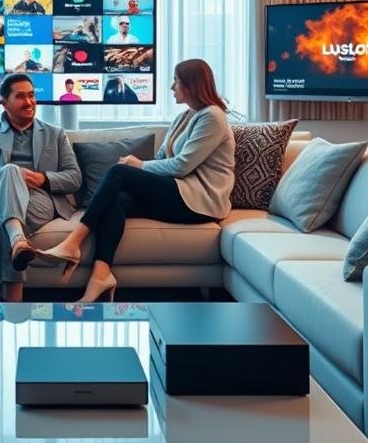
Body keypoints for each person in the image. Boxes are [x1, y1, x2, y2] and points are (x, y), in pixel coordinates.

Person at [40, 59, 235, 303]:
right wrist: (136, 164)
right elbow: (163, 157)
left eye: (176, 81)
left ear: (190, 85)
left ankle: (72, 242)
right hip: (181, 192)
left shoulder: (213, 117)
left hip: (200, 201)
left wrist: (138, 166)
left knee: (119, 173)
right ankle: (101, 276)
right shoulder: (185, 117)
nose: (171, 87)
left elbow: (181, 166)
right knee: (116, 201)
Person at [0, 74, 82, 301]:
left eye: (32, 95)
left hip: (39, 200)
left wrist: (43, 179)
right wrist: (7, 173)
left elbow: (74, 177)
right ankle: (18, 241)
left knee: (1, 218)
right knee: (9, 171)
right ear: (4, 103)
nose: (29, 102)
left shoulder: (55, 133)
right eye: (20, 96)